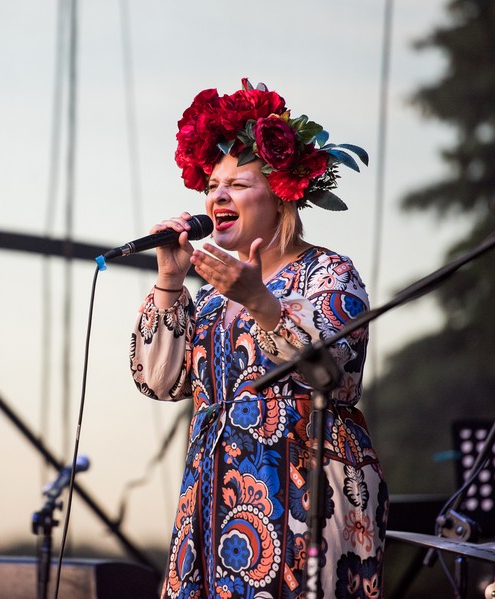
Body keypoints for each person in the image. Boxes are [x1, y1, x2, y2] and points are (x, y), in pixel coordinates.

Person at [129, 79, 387, 599]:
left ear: (281, 197)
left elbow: (329, 369)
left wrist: (260, 302)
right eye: (212, 185)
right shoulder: (208, 298)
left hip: (302, 494)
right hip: (211, 498)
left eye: (238, 184)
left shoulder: (327, 273)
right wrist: (170, 280)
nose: (217, 196)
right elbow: (159, 382)